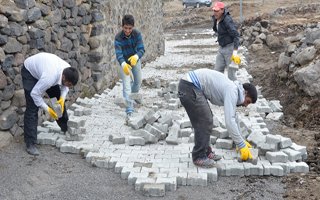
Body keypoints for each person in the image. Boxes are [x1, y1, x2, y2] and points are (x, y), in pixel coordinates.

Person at [178, 68, 258, 168]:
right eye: (248, 101)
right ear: (245, 93)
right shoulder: (232, 90)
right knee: (205, 120)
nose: (246, 105)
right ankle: (199, 156)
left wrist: (241, 140)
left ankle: (206, 152)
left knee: (207, 119)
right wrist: (241, 145)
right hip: (189, 86)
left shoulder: (233, 89)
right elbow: (230, 121)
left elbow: (234, 117)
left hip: (191, 86)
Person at [22, 52, 79, 156]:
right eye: (69, 84)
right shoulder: (49, 78)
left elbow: (65, 87)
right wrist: (47, 109)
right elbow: (35, 94)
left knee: (58, 101)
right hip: (30, 72)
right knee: (32, 107)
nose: (69, 87)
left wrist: (62, 98)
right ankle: (30, 144)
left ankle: (65, 127)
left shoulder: (68, 70)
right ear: (64, 78)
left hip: (45, 69)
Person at [114, 14, 145, 121]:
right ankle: (129, 109)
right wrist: (123, 63)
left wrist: (136, 56)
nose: (127, 31)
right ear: (122, 27)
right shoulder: (118, 37)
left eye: (130, 28)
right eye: (125, 28)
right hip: (123, 62)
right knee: (126, 85)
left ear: (133, 27)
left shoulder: (137, 34)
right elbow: (118, 53)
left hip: (134, 60)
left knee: (138, 81)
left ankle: (133, 96)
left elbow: (141, 49)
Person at [212, 1, 241, 80]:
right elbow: (217, 29)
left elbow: (236, 35)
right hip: (221, 48)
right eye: (214, 10)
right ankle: (220, 90)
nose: (215, 12)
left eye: (217, 11)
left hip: (230, 48)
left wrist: (234, 52)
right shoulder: (215, 18)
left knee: (231, 75)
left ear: (222, 10)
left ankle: (236, 91)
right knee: (217, 72)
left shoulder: (227, 20)